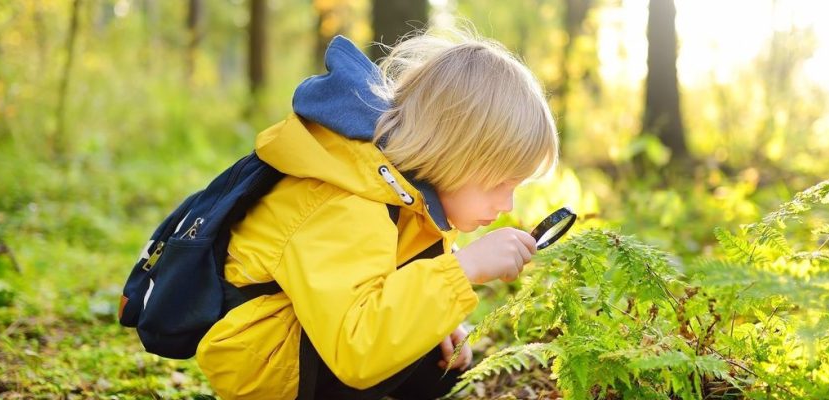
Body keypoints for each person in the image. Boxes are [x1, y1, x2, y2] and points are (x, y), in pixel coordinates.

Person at [195, 28, 559, 400]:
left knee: (439, 361)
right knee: (411, 343)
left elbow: (385, 278)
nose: (507, 205)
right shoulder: (348, 201)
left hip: (318, 336)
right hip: (268, 363)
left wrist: (438, 321)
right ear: (454, 154)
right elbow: (358, 346)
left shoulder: (406, 195)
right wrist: (462, 270)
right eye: (500, 184)